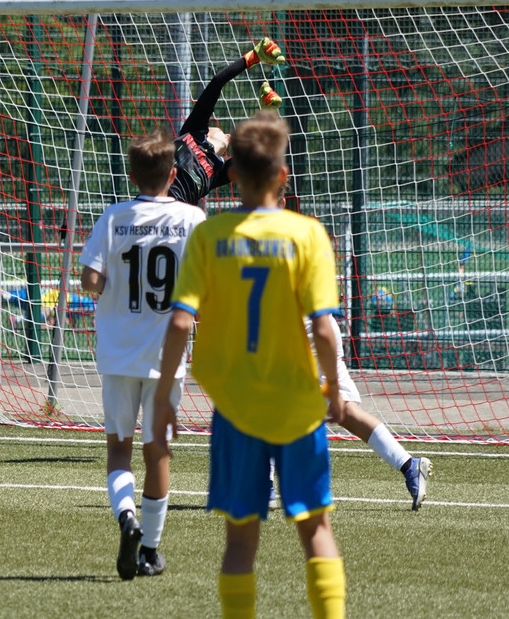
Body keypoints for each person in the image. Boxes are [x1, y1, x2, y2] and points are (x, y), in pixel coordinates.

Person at [153, 111, 347, 618]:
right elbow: (325, 330)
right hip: (298, 406)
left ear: (232, 173)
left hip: (235, 409)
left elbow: (180, 324)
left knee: (240, 540)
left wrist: (163, 401)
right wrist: (333, 389)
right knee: (316, 529)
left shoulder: (209, 236)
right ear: (282, 176)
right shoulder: (308, 235)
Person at [79, 128, 207, 580]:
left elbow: (90, 281)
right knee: (159, 454)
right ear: (174, 175)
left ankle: (127, 517)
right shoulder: (193, 219)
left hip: (118, 355)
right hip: (166, 357)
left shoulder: (114, 217)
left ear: (131, 175)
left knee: (119, 451)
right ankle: (150, 549)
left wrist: (111, 284)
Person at [271, 180, 432, 511]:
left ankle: (267, 486)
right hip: (313, 331)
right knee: (345, 412)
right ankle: (409, 465)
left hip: (303, 334)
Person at [168, 37, 285, 207]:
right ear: (208, 133)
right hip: (150, 203)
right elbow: (216, 83)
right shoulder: (193, 132)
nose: (229, 135)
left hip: (179, 215)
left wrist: (266, 115)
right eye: (223, 131)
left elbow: (257, 154)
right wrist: (252, 57)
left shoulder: (219, 170)